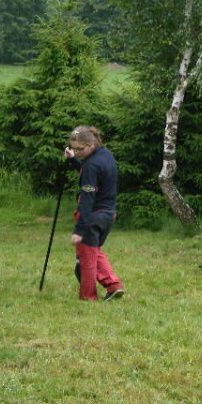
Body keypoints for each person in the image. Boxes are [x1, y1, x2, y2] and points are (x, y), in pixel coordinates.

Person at [64, 126, 125, 301]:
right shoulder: (106, 154)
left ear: (91, 144)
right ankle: (114, 286)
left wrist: (79, 229)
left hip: (93, 217)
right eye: (74, 148)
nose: (77, 152)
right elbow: (91, 174)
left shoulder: (91, 165)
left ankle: (88, 297)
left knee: (87, 260)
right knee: (94, 251)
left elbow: (87, 199)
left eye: (80, 149)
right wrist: (73, 160)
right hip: (109, 214)